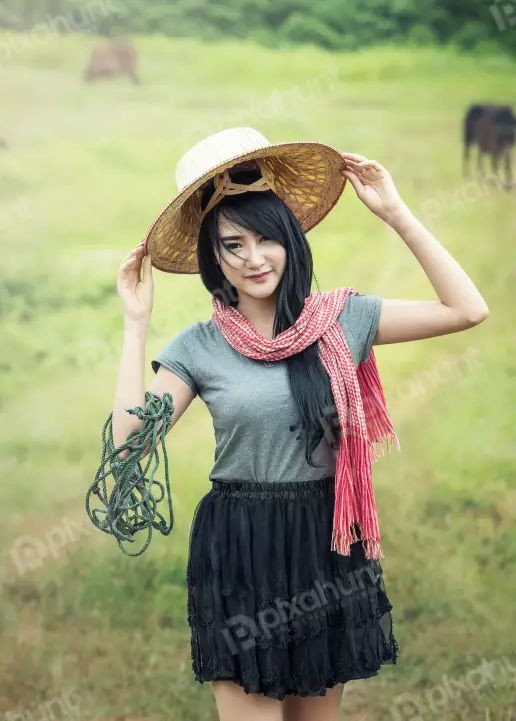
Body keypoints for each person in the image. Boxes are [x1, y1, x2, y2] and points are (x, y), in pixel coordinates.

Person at [112, 127, 489, 721]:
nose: (253, 259)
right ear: (213, 259)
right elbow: (131, 443)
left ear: (291, 239)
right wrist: (136, 326)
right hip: (239, 542)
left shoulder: (344, 320)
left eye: (266, 239)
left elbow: (466, 309)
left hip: (326, 540)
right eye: (232, 245)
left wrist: (397, 214)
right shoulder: (201, 347)